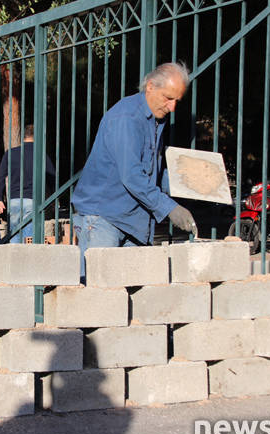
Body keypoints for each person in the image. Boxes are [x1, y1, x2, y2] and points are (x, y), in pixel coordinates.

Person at [71, 63, 197, 277]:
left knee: (126, 299)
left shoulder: (154, 121)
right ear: (150, 87)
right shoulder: (127, 118)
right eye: (168, 97)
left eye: (177, 100)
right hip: (104, 218)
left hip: (131, 221)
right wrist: (170, 209)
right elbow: (133, 177)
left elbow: (151, 172)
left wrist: (190, 185)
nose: (173, 107)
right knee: (96, 296)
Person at [0, 124, 56, 243]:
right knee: (28, 239)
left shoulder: (10, 153)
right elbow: (52, 177)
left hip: (13, 200)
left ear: (23, 137)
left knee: (13, 236)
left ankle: (14, 260)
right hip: (31, 200)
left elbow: (1, 176)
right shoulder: (40, 154)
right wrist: (51, 197)